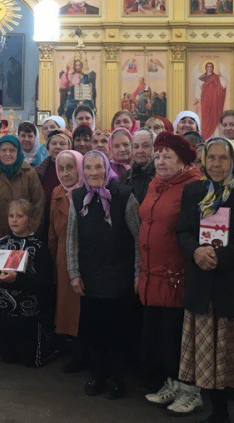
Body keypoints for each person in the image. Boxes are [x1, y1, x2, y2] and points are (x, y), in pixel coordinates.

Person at [176, 138, 234, 423]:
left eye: (223, 158)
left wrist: (220, 256)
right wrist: (195, 250)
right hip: (203, 288)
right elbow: (182, 232)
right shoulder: (193, 191)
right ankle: (218, 413)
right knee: (207, 362)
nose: (216, 164)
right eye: (211, 158)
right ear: (203, 161)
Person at [137, 133, 203, 416]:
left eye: (167, 156)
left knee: (179, 334)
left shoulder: (194, 186)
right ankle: (172, 383)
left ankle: (191, 390)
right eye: (158, 155)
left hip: (176, 275)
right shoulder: (155, 184)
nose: (160, 160)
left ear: (182, 160)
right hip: (152, 273)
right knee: (161, 335)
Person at [67, 151, 140, 399]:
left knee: (117, 331)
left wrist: (138, 272)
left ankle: (118, 379)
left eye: (98, 167)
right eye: (88, 168)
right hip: (90, 275)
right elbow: (72, 238)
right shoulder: (77, 197)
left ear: (107, 168)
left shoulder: (124, 196)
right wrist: (74, 273)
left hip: (119, 275)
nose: (93, 172)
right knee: (95, 331)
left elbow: (140, 238)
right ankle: (98, 377)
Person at [0, 198, 57, 367]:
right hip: (3, 312)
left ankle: (54, 344)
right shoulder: (2, 243)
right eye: (11, 216)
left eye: (19, 216)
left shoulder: (39, 248)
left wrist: (17, 279)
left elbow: (44, 282)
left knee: (30, 362)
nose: (14, 220)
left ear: (30, 219)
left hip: (27, 313)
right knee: (8, 359)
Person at [49, 151, 85, 366]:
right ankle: (71, 350)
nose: (65, 173)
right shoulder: (57, 192)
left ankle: (84, 350)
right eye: (61, 168)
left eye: (70, 167)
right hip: (62, 256)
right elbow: (52, 233)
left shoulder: (88, 192)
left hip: (84, 256)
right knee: (66, 307)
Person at [0, 135, 46, 253]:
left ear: (18, 152)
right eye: (3, 150)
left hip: (23, 238)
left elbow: (38, 204)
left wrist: (31, 232)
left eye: (12, 150)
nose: (7, 154)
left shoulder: (29, 173)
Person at [35, 128, 73, 206]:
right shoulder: (38, 171)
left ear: (69, 147)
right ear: (47, 147)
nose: (57, 147)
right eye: (54, 143)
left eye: (62, 144)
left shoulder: (76, 169)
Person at [119, 128, 156, 203]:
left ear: (154, 148)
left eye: (145, 146)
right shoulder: (126, 177)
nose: (140, 151)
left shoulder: (161, 176)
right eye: (136, 146)